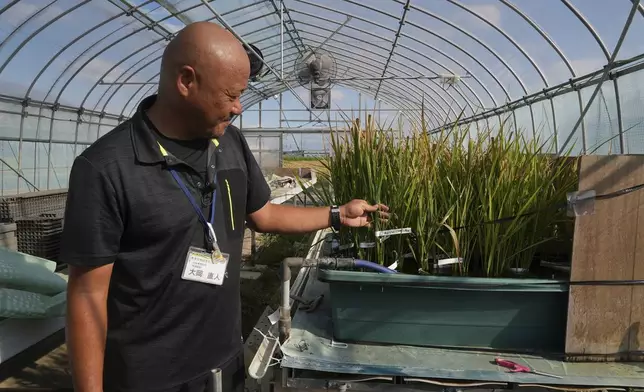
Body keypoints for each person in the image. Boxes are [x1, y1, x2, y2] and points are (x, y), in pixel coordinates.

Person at [60, 21, 389, 392]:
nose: (237, 107)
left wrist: (336, 215)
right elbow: (87, 295)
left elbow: (264, 215)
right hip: (148, 376)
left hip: (225, 361)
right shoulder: (106, 167)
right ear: (186, 81)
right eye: (230, 96)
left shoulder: (230, 143)